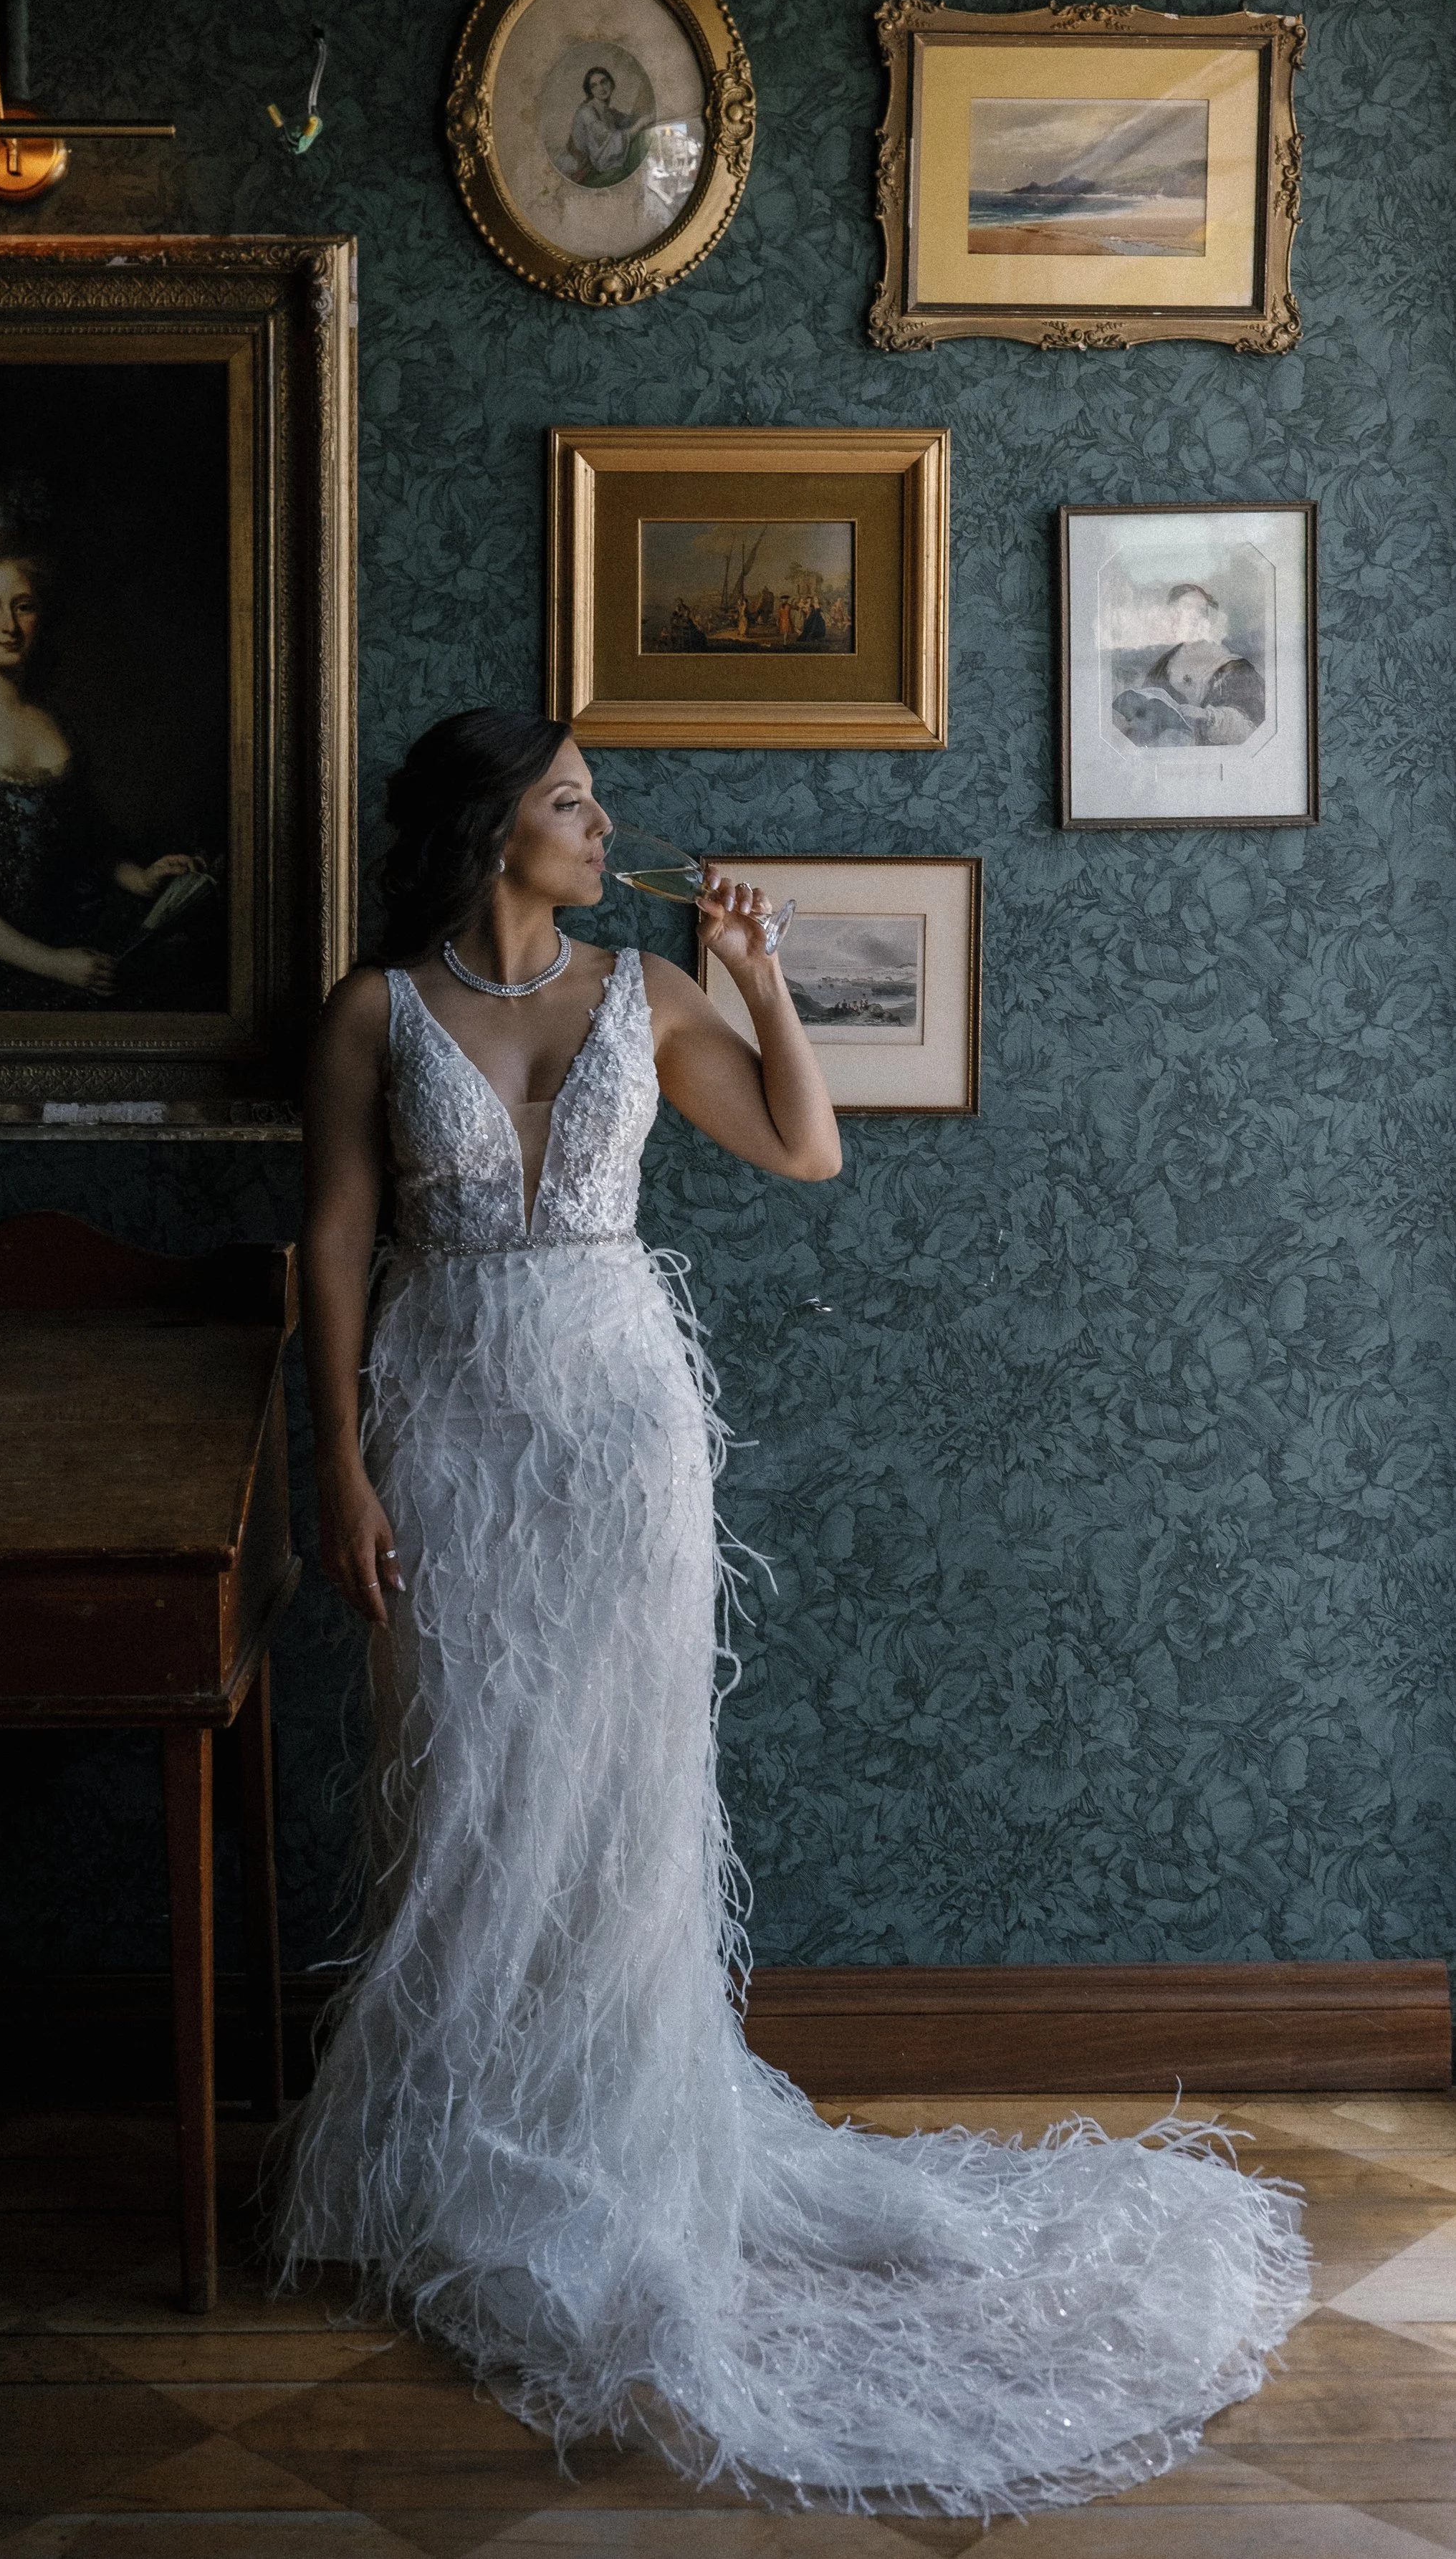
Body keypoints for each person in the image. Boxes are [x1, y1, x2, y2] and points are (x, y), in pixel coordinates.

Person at [273, 709, 1310, 2517]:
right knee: (451, 1790)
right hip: (443, 1424)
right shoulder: (374, 1009)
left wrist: (757, 975)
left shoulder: (648, 981)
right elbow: (339, 1238)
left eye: (596, 805)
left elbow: (802, 1145)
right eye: (573, 803)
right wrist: (340, 1468)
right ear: (488, 828)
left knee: (618, 1807)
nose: (605, 829)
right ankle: (456, 2155)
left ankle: (607, 2138)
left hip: (617, 1425)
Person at [0, 482, 206, 1007]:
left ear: (39, 615)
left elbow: (81, 842)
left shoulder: (54, 722)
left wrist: (139, 877)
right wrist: (51, 963)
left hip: (65, 942)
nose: (8, 626)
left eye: (22, 606)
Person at [1113, 582, 1265, 747]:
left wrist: (1207, 716)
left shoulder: (1233, 667)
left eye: (1196, 611)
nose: (1182, 617)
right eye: (1178, 610)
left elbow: (1254, 729)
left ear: (1205, 618)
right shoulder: (1165, 664)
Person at [557, 65, 653, 186]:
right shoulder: (586, 113)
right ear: (590, 91)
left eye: (604, 82)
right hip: (579, 171)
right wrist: (640, 124)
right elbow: (609, 143)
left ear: (611, 83)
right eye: (594, 86)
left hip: (595, 166)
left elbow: (630, 121)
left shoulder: (609, 112)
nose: (601, 88)